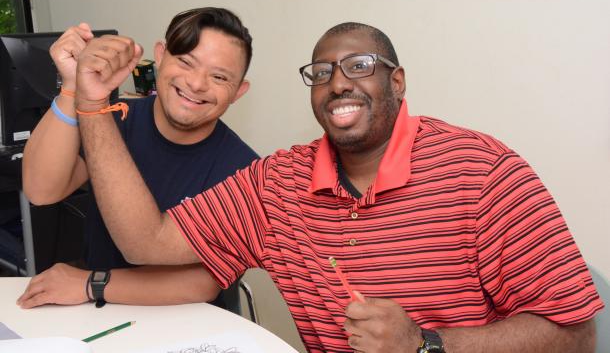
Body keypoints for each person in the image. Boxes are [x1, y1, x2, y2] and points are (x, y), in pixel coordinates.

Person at [74, 21, 603, 352]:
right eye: (322, 71)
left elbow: (576, 335)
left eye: (359, 66)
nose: (339, 82)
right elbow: (145, 240)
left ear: (396, 82)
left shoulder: (483, 171)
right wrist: (94, 102)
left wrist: (427, 345)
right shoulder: (276, 183)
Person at [17, 7, 258, 310]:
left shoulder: (247, 172)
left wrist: (89, 283)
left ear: (238, 91)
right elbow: (42, 189)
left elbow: (201, 283)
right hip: (97, 313)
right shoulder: (112, 118)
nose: (197, 84)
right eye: (185, 62)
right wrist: (72, 87)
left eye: (219, 76)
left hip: (190, 323)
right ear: (160, 55)